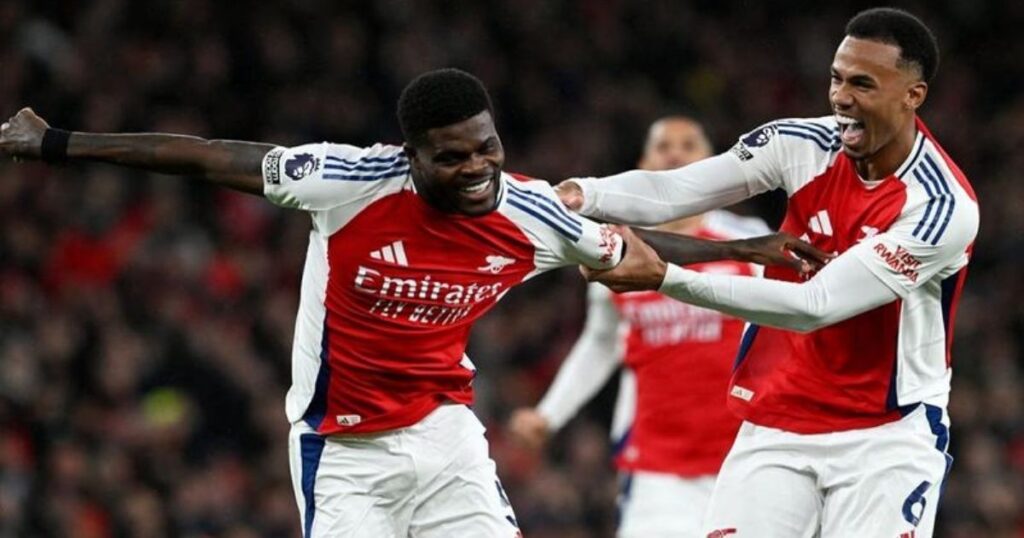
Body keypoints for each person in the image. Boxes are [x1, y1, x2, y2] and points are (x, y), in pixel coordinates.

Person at [0, 69, 819, 538]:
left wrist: (747, 251)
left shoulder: (531, 212)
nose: (478, 168)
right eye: (453, 157)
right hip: (342, 454)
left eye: (487, 147)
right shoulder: (348, 182)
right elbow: (209, 158)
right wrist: (59, 142)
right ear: (412, 156)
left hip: (446, 438)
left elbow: (632, 252)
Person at [558, 8, 978, 537]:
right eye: (836, 78)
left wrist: (665, 277)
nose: (841, 97)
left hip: (885, 434)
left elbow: (814, 306)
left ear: (912, 95)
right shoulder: (800, 144)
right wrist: (578, 195)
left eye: (862, 84)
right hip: (780, 417)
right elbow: (676, 190)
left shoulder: (940, 206)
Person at [508, 116, 769, 537]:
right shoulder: (613, 250)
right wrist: (549, 415)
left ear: (713, 164)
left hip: (746, 453)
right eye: (663, 146)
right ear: (643, 165)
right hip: (656, 466)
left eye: (689, 145)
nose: (675, 154)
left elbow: (788, 326)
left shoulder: (747, 242)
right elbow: (600, 343)